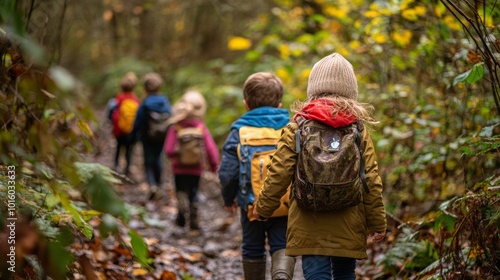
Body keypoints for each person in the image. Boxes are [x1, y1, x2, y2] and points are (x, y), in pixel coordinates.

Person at [252, 53, 387, 280]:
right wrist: (377, 221)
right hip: (348, 218)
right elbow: (370, 179)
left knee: (316, 273)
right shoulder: (358, 130)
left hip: (308, 219)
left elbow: (279, 172)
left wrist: (263, 208)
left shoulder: (298, 126)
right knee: (345, 272)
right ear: (351, 91)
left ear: (313, 88)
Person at [218, 72, 296, 280]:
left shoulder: (239, 132)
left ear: (246, 104)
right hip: (285, 204)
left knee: (253, 247)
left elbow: (227, 172)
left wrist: (228, 198)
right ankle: (281, 275)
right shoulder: (290, 129)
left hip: (251, 204)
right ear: (279, 104)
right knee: (281, 244)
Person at [164, 90, 219, 231]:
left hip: (178, 168)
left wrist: (175, 155)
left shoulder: (175, 127)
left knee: (181, 190)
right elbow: (211, 150)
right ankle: (194, 219)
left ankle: (181, 211)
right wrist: (213, 167)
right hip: (196, 168)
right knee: (194, 192)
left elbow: (168, 150)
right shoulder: (201, 128)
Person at [131, 72, 172, 199]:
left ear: (145, 89)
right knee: (158, 158)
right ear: (160, 87)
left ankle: (152, 184)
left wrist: (134, 136)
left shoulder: (144, 105)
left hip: (147, 137)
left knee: (148, 161)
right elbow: (171, 118)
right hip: (162, 137)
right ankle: (159, 184)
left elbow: (138, 122)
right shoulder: (165, 103)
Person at [110, 72, 139, 176]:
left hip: (119, 129)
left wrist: (112, 124)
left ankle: (116, 165)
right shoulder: (135, 100)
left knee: (118, 147)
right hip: (131, 130)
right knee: (129, 150)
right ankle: (127, 168)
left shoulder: (118, 99)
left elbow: (111, 113)